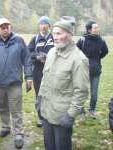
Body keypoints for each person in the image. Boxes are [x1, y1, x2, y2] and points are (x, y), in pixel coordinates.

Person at [35, 16, 90, 150]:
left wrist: (71, 115)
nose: (55, 37)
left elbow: (81, 92)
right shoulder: (52, 52)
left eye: (59, 33)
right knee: (49, 146)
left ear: (69, 35)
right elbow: (45, 78)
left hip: (62, 116)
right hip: (47, 112)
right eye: (54, 34)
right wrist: (40, 97)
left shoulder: (79, 60)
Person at [0, 18, 33, 149]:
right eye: (2, 27)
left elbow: (27, 58)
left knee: (16, 110)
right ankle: (5, 127)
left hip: (14, 83)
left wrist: (29, 76)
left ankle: (19, 134)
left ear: (10, 27)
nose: (5, 29)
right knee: (1, 108)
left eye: (7, 27)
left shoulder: (19, 41)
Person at [76, 21, 109, 121]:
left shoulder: (101, 40)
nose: (97, 29)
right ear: (89, 30)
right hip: (84, 70)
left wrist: (97, 59)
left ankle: (92, 110)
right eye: (95, 28)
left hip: (96, 70)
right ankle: (81, 112)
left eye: (98, 28)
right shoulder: (83, 40)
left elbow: (105, 51)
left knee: (94, 93)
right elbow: (76, 51)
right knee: (82, 92)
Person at [28, 16, 54, 127]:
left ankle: (51, 116)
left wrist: (49, 58)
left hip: (53, 71)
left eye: (45, 24)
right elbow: (27, 54)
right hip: (38, 71)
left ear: (49, 25)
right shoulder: (35, 39)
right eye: (41, 24)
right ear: (39, 25)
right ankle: (41, 117)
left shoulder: (54, 38)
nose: (43, 26)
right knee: (39, 94)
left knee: (53, 94)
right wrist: (38, 57)